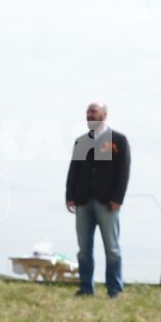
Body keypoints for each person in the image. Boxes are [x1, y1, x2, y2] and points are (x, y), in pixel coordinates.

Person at [65, 102, 129, 297]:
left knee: (112, 248)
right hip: (83, 201)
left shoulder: (117, 140)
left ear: (104, 113)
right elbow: (74, 170)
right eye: (87, 112)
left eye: (93, 111)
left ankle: (114, 289)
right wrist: (69, 196)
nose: (89, 115)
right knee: (84, 248)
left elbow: (123, 172)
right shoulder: (81, 142)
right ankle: (86, 287)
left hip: (107, 202)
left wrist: (117, 198)